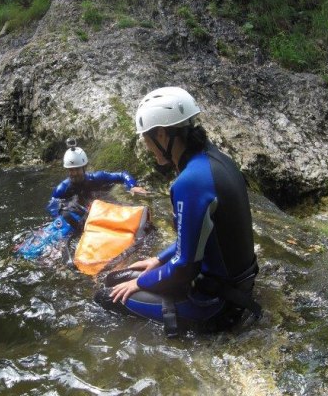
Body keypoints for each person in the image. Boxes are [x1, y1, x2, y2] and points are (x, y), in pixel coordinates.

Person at [97, 87, 260, 337]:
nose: (147, 146)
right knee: (116, 277)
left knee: (107, 295)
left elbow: (184, 268)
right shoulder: (216, 160)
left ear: (162, 135)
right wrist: (158, 259)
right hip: (236, 287)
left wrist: (139, 283)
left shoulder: (190, 182)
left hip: (215, 305)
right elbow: (199, 235)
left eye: (146, 138)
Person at [46, 139, 148, 228]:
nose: (74, 173)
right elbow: (52, 207)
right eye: (71, 170)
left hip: (101, 208)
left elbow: (122, 175)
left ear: (84, 167)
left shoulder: (97, 178)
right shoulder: (61, 189)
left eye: (77, 169)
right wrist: (62, 215)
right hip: (80, 215)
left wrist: (132, 186)